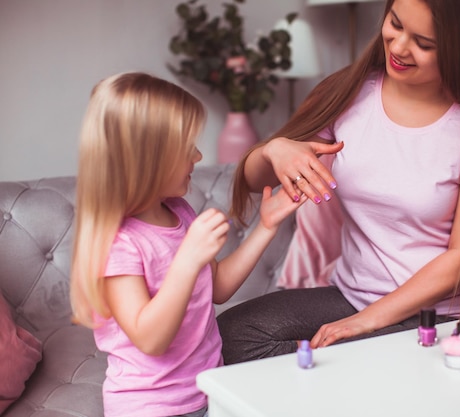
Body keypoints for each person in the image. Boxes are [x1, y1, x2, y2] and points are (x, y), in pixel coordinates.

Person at [218, 0, 460, 365]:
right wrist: (276, 150)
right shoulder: (348, 92)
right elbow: (254, 179)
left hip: (434, 317)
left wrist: (364, 323)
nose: (397, 47)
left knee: (350, 362)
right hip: (350, 296)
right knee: (232, 336)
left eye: (423, 43)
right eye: (395, 23)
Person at [69, 72, 305, 417]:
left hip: (207, 390)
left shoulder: (179, 211)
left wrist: (266, 227)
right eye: (185, 149)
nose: (197, 156)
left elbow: (217, 288)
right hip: (149, 408)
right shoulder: (118, 244)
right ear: (147, 162)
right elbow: (150, 338)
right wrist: (187, 260)